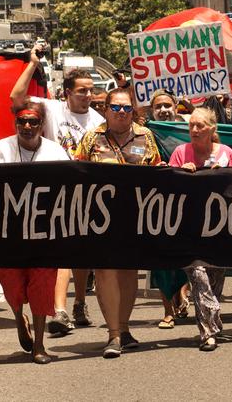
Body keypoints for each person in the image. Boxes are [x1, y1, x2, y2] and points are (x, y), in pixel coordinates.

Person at [11, 42, 104, 334]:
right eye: (82, 90)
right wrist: (33, 64)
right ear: (67, 93)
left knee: (82, 252)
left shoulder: (99, 121)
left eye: (91, 90)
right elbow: (16, 98)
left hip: (84, 190)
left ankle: (77, 302)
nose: (88, 95)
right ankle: (59, 310)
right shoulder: (50, 109)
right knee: (63, 250)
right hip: (52, 190)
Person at [75, 88, 162, 357]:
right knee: (104, 272)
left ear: (133, 110)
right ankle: (112, 334)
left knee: (127, 273)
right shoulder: (91, 138)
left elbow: (157, 168)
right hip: (100, 218)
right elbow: (76, 173)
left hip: (135, 216)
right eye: (116, 107)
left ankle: (124, 328)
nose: (121, 112)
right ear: (106, 109)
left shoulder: (146, 136)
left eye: (126, 108)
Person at [0, 100, 70, 364]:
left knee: (42, 285)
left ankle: (40, 346)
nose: (27, 126)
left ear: (42, 125)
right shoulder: (1, 149)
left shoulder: (55, 152)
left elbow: (73, 186)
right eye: (22, 121)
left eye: (33, 121)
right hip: (8, 233)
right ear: (15, 123)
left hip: (44, 233)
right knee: (12, 285)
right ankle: (19, 318)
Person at [169, 108, 232, 351]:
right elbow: (166, 187)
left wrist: (226, 175)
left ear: (212, 129)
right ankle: (208, 331)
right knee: (198, 276)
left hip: (220, 227)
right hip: (188, 228)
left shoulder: (227, 153)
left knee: (215, 277)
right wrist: (180, 173)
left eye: (200, 126)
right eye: (191, 126)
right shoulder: (180, 153)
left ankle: (209, 318)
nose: (195, 130)